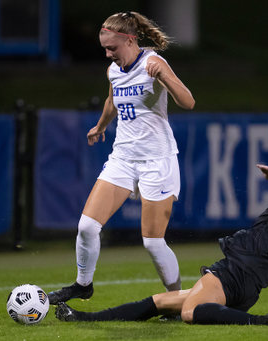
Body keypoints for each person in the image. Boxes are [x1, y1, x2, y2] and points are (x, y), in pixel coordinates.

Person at [54, 161, 268, 325]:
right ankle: (83, 318)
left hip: (231, 275)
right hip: (248, 289)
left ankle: (262, 322)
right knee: (160, 303)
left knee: (189, 312)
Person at [48, 11, 195, 305]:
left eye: (112, 48)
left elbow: (188, 102)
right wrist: (101, 126)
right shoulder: (114, 70)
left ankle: (177, 298)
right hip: (123, 158)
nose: (107, 54)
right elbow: (113, 97)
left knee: (153, 242)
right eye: (104, 48)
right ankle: (83, 285)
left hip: (158, 160)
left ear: (129, 40)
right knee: (87, 227)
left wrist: (164, 76)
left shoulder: (154, 63)